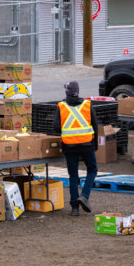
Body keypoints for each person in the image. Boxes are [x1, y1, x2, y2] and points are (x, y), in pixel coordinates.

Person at [59, 81, 96, 216]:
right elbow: (95, 125)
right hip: (87, 145)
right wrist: (95, 145)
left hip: (69, 146)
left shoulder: (62, 106)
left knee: (73, 175)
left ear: (66, 92)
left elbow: (56, 126)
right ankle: (84, 196)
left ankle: (75, 208)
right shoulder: (87, 105)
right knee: (92, 170)